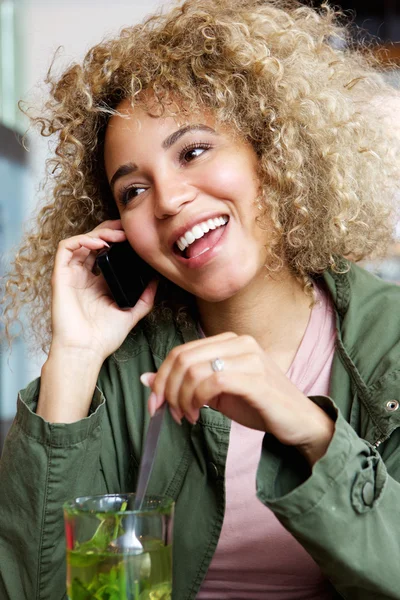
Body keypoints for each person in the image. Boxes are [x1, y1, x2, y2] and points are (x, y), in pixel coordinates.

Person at [1, 0, 400, 598]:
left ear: (272, 152)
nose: (167, 200)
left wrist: (312, 431)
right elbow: (38, 590)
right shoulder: (119, 369)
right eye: (133, 189)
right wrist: (76, 356)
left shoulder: (389, 343)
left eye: (192, 152)